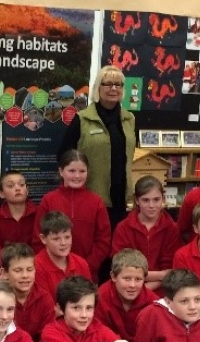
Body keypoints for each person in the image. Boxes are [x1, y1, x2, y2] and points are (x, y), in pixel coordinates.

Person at [57, 65, 135, 228]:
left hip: (121, 197)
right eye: (107, 84)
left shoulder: (129, 119)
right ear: (98, 88)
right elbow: (63, 156)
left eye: (118, 84)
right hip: (91, 196)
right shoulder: (82, 119)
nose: (113, 88)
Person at [33, 150, 111, 281]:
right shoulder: (49, 200)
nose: (77, 176)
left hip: (87, 274)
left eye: (82, 171)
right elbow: (38, 238)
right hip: (52, 274)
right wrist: (51, 265)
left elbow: (103, 241)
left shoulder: (96, 202)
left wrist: (85, 266)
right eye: (71, 171)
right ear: (61, 171)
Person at [111, 176, 180, 292]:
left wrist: (146, 290)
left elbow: (172, 270)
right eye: (145, 200)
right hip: (129, 288)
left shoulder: (172, 228)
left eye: (156, 199)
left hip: (163, 290)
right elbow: (121, 269)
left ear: (163, 199)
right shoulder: (123, 228)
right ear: (137, 200)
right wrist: (161, 275)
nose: (151, 205)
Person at [95, 249, 156, 342]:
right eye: (127, 278)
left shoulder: (153, 303)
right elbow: (98, 334)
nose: (132, 285)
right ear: (113, 276)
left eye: (138, 279)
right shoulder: (101, 297)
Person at [0, 242, 56, 342]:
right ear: (4, 273)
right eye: (18, 270)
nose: (25, 275)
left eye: (29, 270)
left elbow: (46, 340)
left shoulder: (44, 299)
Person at [33, 211, 91, 299]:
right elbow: (45, 306)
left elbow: (89, 298)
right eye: (56, 239)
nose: (63, 243)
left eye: (67, 237)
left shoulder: (81, 263)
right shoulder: (36, 266)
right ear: (43, 239)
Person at [0, 170, 37, 247]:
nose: (18, 188)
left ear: (27, 191)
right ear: (1, 194)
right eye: (10, 186)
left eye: (21, 184)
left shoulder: (39, 214)